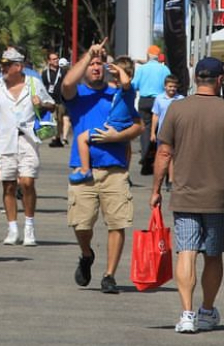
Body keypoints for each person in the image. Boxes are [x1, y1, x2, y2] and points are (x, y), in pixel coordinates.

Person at [151, 56, 224, 334]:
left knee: (186, 251)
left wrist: (155, 190)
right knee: (213, 254)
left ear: (195, 79)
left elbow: (164, 152)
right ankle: (206, 310)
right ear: (220, 80)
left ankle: (187, 314)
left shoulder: (177, 110)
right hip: (219, 195)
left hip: (185, 194)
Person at [62, 42, 143, 295]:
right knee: (81, 225)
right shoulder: (78, 95)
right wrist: (88, 54)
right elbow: (66, 84)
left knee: (116, 223)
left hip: (114, 169)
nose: (96, 67)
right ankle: (86, 254)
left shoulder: (117, 93)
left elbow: (138, 126)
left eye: (100, 64)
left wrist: (115, 138)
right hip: (83, 170)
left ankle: (109, 275)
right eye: (92, 65)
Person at [0, 48, 54, 246]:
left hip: (27, 140)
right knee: (9, 185)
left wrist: (41, 104)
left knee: (27, 182)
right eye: (2, 64)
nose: (3, 68)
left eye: (7, 65)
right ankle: (12, 227)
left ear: (18, 66)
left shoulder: (33, 84)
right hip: (4, 141)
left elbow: (52, 105)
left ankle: (29, 226)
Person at [70, 57, 134, 184]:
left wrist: (120, 71)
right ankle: (126, 169)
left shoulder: (128, 91)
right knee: (127, 145)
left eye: (116, 77)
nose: (114, 80)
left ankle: (85, 170)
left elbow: (126, 82)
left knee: (82, 138)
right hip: (118, 125)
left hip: (114, 125)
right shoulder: (118, 92)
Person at [133, 44, 172, 174]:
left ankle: (145, 156)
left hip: (144, 100)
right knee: (160, 128)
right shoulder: (164, 69)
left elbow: (135, 85)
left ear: (148, 55)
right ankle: (158, 156)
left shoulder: (142, 69)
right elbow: (169, 84)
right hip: (160, 100)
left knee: (145, 129)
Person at [150, 74, 184, 191]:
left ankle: (171, 180)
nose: (172, 89)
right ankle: (159, 179)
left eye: (174, 87)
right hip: (162, 132)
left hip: (176, 132)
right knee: (163, 157)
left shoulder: (181, 99)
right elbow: (155, 115)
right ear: (165, 86)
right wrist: (152, 132)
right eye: (170, 86)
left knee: (173, 156)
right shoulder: (159, 99)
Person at [40, 51, 66, 147]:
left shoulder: (63, 71)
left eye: (57, 58)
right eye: (54, 59)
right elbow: (43, 86)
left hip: (61, 99)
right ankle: (54, 138)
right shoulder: (45, 73)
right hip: (50, 100)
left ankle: (58, 137)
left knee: (60, 120)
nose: (56, 60)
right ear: (49, 61)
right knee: (54, 119)